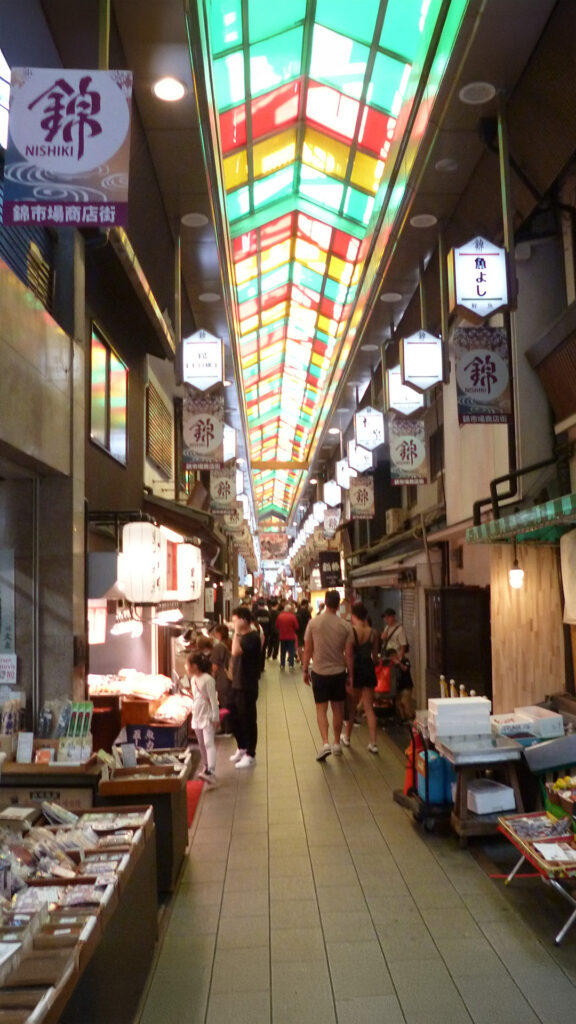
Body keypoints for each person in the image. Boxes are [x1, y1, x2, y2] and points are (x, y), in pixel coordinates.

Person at [302, 590, 354, 761]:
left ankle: (325, 743)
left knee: (321, 709)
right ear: (338, 604)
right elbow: (348, 654)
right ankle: (337, 743)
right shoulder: (345, 626)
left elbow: (308, 649)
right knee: (338, 709)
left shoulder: (314, 623)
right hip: (339, 672)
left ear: (325, 602)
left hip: (319, 672)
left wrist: (304, 669)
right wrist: (351, 675)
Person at [341, 602, 380, 753]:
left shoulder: (351, 631)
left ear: (354, 615)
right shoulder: (373, 632)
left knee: (352, 708)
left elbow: (349, 654)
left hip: (355, 669)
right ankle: (373, 743)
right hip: (368, 669)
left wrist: (350, 674)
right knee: (369, 708)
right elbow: (375, 657)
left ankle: (347, 737)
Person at [228, 605, 261, 768]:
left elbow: (235, 652)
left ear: (244, 620)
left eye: (235, 620)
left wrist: (235, 632)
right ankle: (242, 747)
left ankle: (250, 753)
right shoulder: (243, 636)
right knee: (233, 716)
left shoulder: (252, 637)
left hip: (247, 685)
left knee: (248, 719)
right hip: (236, 683)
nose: (233, 623)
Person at [186, 652, 220, 783]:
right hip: (197, 714)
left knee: (208, 742)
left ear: (194, 666)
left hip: (207, 715)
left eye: (188, 665)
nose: (186, 667)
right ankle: (206, 766)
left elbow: (213, 699)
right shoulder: (193, 679)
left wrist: (216, 717)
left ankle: (211, 770)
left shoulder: (208, 679)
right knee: (201, 743)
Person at [211, 624, 231, 732]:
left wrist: (211, 678)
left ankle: (226, 728)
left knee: (224, 703)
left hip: (222, 679)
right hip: (228, 678)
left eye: (215, 633)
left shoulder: (218, 647)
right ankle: (228, 727)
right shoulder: (229, 643)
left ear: (219, 633)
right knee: (227, 702)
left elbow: (214, 666)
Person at [276, 601, 299, 670]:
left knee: (282, 651)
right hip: (291, 636)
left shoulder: (280, 616)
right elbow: (296, 627)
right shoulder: (292, 616)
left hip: (282, 636)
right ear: (289, 610)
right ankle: (291, 664)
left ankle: (282, 664)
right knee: (291, 651)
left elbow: (277, 626)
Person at [253, 597, 271, 672]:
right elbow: (270, 624)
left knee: (256, 650)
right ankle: (262, 667)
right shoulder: (267, 613)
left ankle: (256, 666)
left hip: (257, 634)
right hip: (266, 634)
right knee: (263, 650)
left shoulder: (255, 613)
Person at [296, 599, 311, 665]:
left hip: (299, 631)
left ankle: (302, 661)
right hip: (306, 630)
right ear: (306, 604)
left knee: (299, 647)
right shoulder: (307, 612)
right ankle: (306, 661)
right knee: (306, 647)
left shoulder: (297, 611)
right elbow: (310, 621)